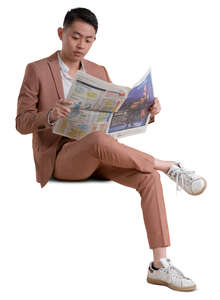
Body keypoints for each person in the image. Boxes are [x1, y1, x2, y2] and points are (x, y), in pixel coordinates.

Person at [15, 7, 207, 292]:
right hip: (61, 158)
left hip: (99, 150)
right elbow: (21, 122)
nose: (81, 45)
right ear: (61, 34)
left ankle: (159, 265)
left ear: (94, 40)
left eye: (89, 40)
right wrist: (51, 114)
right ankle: (168, 165)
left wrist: (147, 112)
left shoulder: (98, 71)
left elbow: (111, 119)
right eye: (75, 37)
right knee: (98, 141)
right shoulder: (37, 70)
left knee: (148, 178)